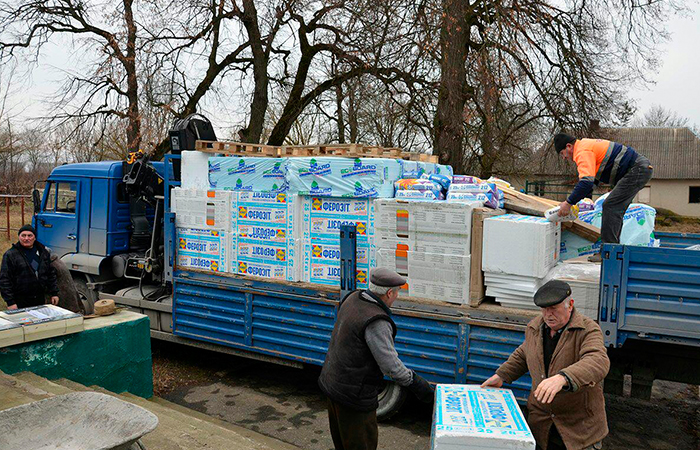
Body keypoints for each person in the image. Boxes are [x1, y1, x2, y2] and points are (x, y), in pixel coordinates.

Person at [481, 280, 610, 450]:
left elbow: (598, 360)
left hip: (578, 429)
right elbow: (525, 352)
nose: (548, 314)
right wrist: (501, 376)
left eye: (554, 309)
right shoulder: (535, 327)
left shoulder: (587, 329)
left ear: (570, 305)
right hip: (541, 425)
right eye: (544, 309)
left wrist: (563, 378)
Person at [318, 268, 434, 450]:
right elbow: (391, 367)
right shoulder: (376, 321)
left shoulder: (353, 298)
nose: (396, 297)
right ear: (389, 293)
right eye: (397, 293)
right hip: (353, 398)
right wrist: (419, 386)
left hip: (332, 387)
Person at [553, 133, 653, 262]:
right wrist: (584, 199)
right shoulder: (586, 145)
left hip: (636, 169)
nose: (564, 158)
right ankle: (612, 250)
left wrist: (568, 203)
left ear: (568, 146)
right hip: (638, 169)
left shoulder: (582, 151)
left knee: (611, 206)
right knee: (615, 207)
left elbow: (586, 182)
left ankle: (609, 253)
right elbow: (591, 182)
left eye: (562, 154)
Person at [0, 225, 59, 310]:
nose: (26, 238)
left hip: (39, 298)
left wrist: (54, 293)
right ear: (19, 237)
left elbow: (50, 274)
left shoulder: (43, 253)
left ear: (34, 237)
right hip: (20, 300)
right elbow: (4, 280)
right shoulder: (10, 255)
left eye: (29, 235)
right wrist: (10, 302)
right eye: (23, 235)